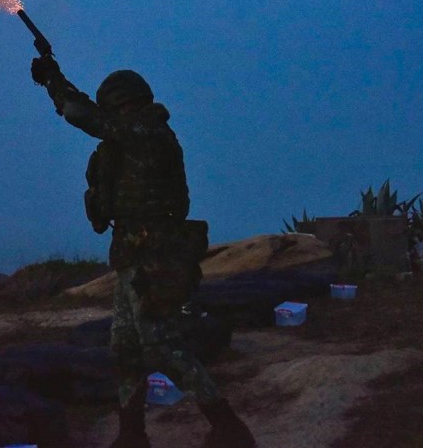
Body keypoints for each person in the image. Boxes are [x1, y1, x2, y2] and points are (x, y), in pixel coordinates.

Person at [30, 56, 255, 448]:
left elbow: (83, 115)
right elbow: (89, 116)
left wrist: (54, 80)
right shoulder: (129, 133)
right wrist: (55, 82)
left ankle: (229, 428)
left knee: (162, 344)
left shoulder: (147, 133)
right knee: (124, 346)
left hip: (155, 255)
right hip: (133, 255)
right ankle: (132, 434)